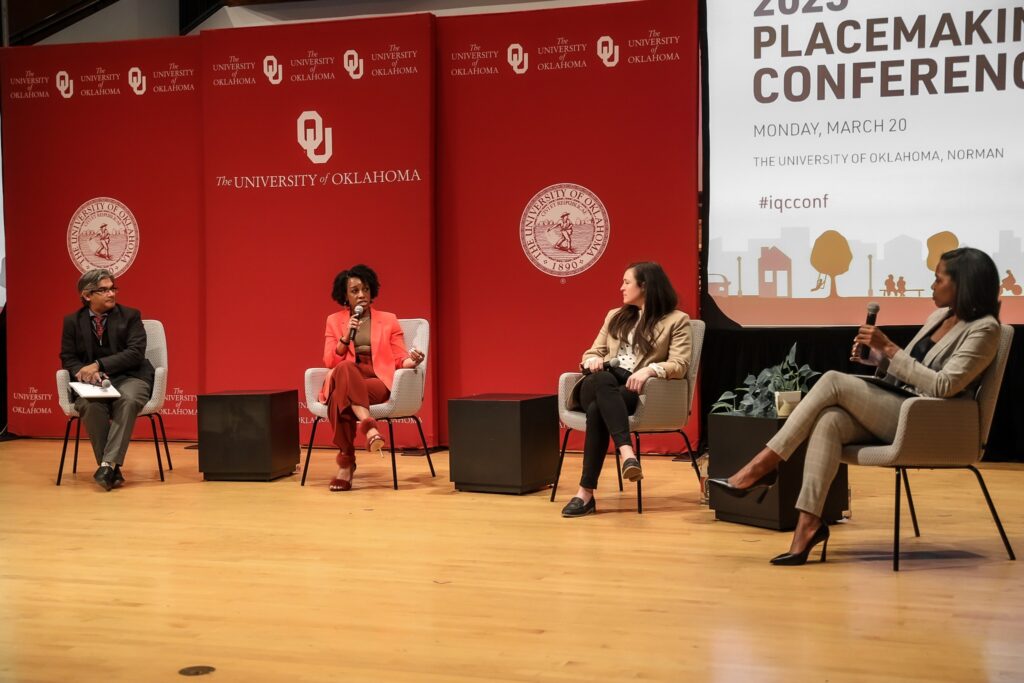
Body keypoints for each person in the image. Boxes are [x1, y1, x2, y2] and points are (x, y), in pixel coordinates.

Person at [709, 248, 1002, 565]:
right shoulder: (940, 317)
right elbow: (913, 371)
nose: (932, 285)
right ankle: (808, 525)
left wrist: (889, 347)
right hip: (905, 407)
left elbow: (945, 386)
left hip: (931, 424)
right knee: (830, 420)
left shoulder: (985, 329)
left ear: (963, 284)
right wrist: (877, 360)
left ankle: (762, 467)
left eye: (938, 278)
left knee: (834, 380)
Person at [561, 261, 692, 518]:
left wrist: (650, 370)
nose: (621, 287)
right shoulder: (615, 316)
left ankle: (585, 494)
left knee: (600, 409)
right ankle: (626, 452)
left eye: (627, 282)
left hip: (630, 392)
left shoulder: (677, 321)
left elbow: (680, 364)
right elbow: (592, 352)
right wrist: (593, 361)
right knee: (602, 381)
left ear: (645, 286)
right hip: (595, 385)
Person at [319, 264, 424, 491]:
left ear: (371, 291)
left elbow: (398, 357)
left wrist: (411, 361)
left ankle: (346, 464)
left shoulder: (388, 320)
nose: (361, 295)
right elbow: (330, 361)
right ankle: (370, 428)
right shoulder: (334, 321)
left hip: (377, 379)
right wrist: (345, 337)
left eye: (365, 290)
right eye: (355, 291)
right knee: (345, 368)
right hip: (346, 373)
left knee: (339, 397)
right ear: (345, 295)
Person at [60, 269, 155, 491]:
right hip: (92, 384)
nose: (111, 293)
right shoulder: (72, 321)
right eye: (103, 290)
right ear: (87, 295)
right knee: (89, 405)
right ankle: (111, 468)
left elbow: (135, 353)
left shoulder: (130, 316)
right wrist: (84, 371)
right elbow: (67, 357)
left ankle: (107, 464)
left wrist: (99, 365)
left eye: (113, 288)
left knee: (129, 400)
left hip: (131, 376)